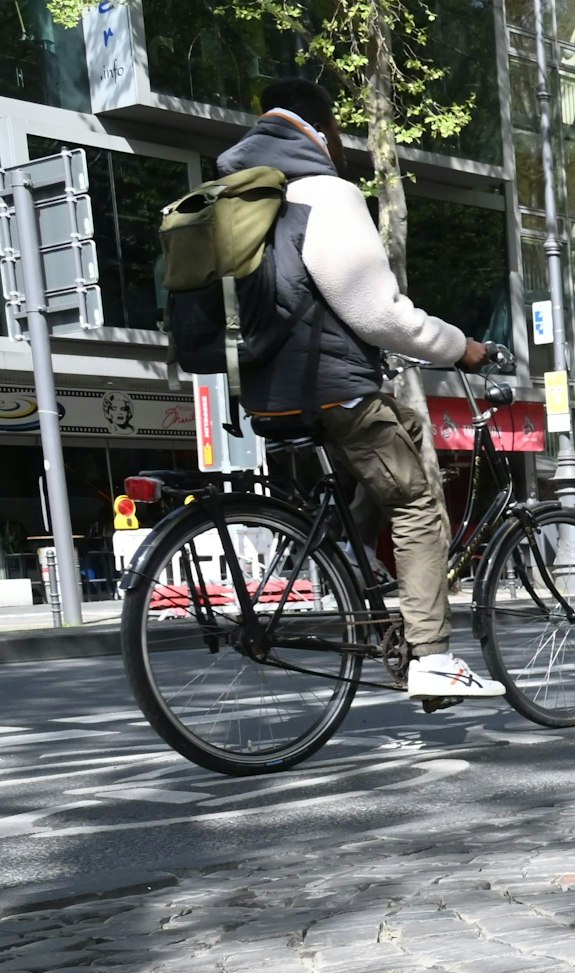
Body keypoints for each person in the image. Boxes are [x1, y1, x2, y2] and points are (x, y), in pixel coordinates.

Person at [217, 78, 502, 700]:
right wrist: (465, 349)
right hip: (332, 386)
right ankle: (431, 657)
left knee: (405, 428)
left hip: (267, 389)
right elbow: (380, 316)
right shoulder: (324, 193)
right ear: (323, 132)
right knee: (420, 504)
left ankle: (359, 572)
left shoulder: (237, 198)